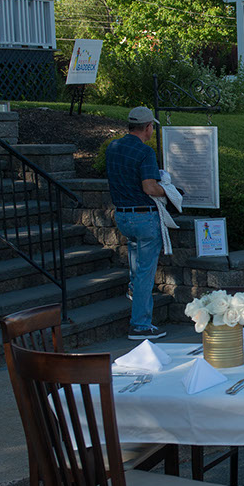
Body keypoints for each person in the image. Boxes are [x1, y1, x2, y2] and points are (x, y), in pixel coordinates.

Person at [107, 106, 167, 339]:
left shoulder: (113, 147)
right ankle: (140, 325)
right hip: (144, 217)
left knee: (135, 260)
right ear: (148, 127)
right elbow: (149, 187)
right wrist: (170, 191)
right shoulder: (145, 152)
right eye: (151, 127)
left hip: (122, 215)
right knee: (145, 272)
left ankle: (134, 291)